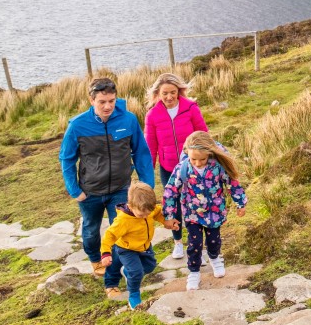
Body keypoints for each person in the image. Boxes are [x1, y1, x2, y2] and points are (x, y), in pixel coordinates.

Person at [59, 77, 155, 292]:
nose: (107, 106)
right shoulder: (77, 125)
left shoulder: (128, 120)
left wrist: (146, 185)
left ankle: (112, 279)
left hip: (121, 189)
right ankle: (95, 258)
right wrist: (75, 190)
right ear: (91, 99)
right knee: (91, 231)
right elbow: (66, 158)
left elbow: (141, 152)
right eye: (102, 101)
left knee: (120, 234)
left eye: (111, 101)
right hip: (90, 191)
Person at [163, 131, 247, 290]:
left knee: (214, 240)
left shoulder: (218, 167)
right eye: (193, 158)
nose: (198, 163)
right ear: (187, 152)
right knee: (194, 243)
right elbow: (170, 190)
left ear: (210, 154)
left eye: (202, 159)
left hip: (214, 212)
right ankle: (194, 272)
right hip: (191, 212)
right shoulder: (183, 168)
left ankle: (215, 258)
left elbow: (232, 184)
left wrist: (240, 203)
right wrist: (168, 215)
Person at [144, 73, 209, 259]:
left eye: (173, 92)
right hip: (168, 168)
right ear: (158, 93)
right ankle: (178, 242)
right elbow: (151, 146)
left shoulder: (191, 108)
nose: (169, 97)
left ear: (179, 91)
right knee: (172, 206)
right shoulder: (153, 115)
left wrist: (208, 160)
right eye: (165, 93)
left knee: (197, 203)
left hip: (192, 165)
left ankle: (199, 246)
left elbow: (203, 134)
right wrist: (149, 175)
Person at [100, 182, 178, 309]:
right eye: (142, 215)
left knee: (150, 266)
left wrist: (166, 222)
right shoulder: (123, 220)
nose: (146, 216)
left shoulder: (148, 209)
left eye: (148, 214)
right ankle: (134, 295)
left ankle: (127, 272)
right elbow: (109, 235)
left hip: (145, 247)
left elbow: (157, 213)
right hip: (127, 249)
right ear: (131, 206)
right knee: (136, 273)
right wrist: (106, 253)